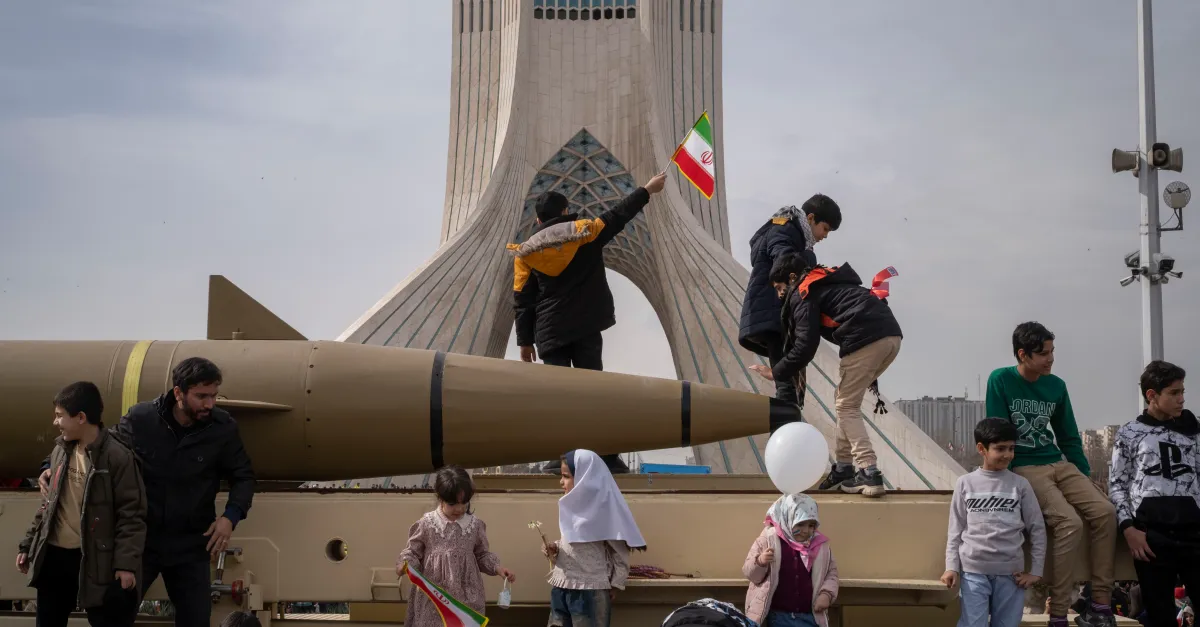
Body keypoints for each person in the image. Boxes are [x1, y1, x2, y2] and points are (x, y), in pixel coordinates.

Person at [39, 357, 256, 627]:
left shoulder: (223, 428)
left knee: (196, 620)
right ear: (178, 392)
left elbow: (244, 477)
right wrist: (51, 466)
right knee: (114, 617)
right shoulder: (142, 418)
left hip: (191, 544)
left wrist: (229, 517)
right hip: (143, 542)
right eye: (201, 396)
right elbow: (100, 447)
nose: (209, 404)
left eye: (213, 396)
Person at [510, 172, 667, 473]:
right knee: (593, 391)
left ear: (539, 220)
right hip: (585, 327)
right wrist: (647, 190)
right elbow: (619, 214)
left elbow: (522, 299)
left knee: (560, 396)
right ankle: (605, 455)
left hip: (550, 332)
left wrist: (524, 341)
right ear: (566, 213)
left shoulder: (527, 252)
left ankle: (561, 458)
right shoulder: (586, 232)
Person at [985, 322, 1116, 627]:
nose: (1051, 358)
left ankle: (1100, 605)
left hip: (1058, 463)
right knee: (1068, 522)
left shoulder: (1056, 385)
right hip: (1025, 466)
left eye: (1052, 351)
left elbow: (1069, 436)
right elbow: (996, 431)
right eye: (1043, 353)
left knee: (1105, 512)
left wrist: (1084, 476)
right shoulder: (1000, 380)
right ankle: (1058, 614)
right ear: (1022, 354)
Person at [748, 252, 902, 497]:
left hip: (866, 338)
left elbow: (805, 346)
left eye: (779, 287)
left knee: (846, 405)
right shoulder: (827, 282)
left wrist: (776, 372)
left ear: (791, 277)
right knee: (844, 399)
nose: (779, 294)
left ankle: (869, 470)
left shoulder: (804, 292)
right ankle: (843, 467)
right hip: (891, 338)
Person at [17, 381, 146, 627]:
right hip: (54, 560)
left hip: (96, 563)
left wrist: (125, 566)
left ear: (81, 417)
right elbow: (48, 505)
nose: (55, 423)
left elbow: (132, 516)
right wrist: (27, 545)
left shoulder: (118, 458)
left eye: (59, 416)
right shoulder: (60, 451)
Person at [1109, 361, 1200, 627]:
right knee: (1160, 616)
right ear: (1152, 395)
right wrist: (1128, 528)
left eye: (1183, 391)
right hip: (1151, 538)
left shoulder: (1194, 431)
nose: (1181, 399)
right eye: (1173, 393)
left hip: (1194, 533)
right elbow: (1117, 485)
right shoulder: (1129, 433)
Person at [738, 196, 842, 410]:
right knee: (785, 376)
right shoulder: (785, 229)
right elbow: (784, 262)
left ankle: (789, 411)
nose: (825, 236)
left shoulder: (793, 233)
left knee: (788, 370)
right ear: (811, 218)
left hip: (777, 310)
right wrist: (809, 262)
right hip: (775, 308)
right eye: (825, 228)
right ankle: (787, 415)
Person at [941, 417, 1047, 627]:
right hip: (973, 573)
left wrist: (1035, 571)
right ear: (982, 449)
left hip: (1011, 575)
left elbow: (1037, 528)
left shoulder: (1020, 485)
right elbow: (956, 529)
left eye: (1011, 448)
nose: (1007, 454)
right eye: (1000, 449)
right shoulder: (965, 483)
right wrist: (951, 566)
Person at [395, 466, 515, 627]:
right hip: (434, 596)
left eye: (463, 503)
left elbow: (481, 554)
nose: (459, 509)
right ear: (440, 497)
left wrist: (497, 568)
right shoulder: (427, 524)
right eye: (452, 504)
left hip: (466, 596)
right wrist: (405, 565)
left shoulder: (474, 526)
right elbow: (412, 552)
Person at [542, 449, 646, 627]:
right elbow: (573, 541)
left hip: (589, 591)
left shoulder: (604, 510)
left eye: (566, 476)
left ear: (585, 477)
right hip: (561, 587)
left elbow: (619, 552)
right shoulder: (570, 507)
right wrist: (555, 548)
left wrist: (615, 583)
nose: (561, 482)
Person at [742, 493, 840, 627]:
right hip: (778, 616)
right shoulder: (769, 540)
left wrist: (826, 594)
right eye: (800, 524)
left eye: (811, 525)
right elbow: (751, 574)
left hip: (810, 616)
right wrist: (760, 561)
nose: (806, 530)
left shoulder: (820, 545)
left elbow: (831, 573)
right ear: (787, 518)